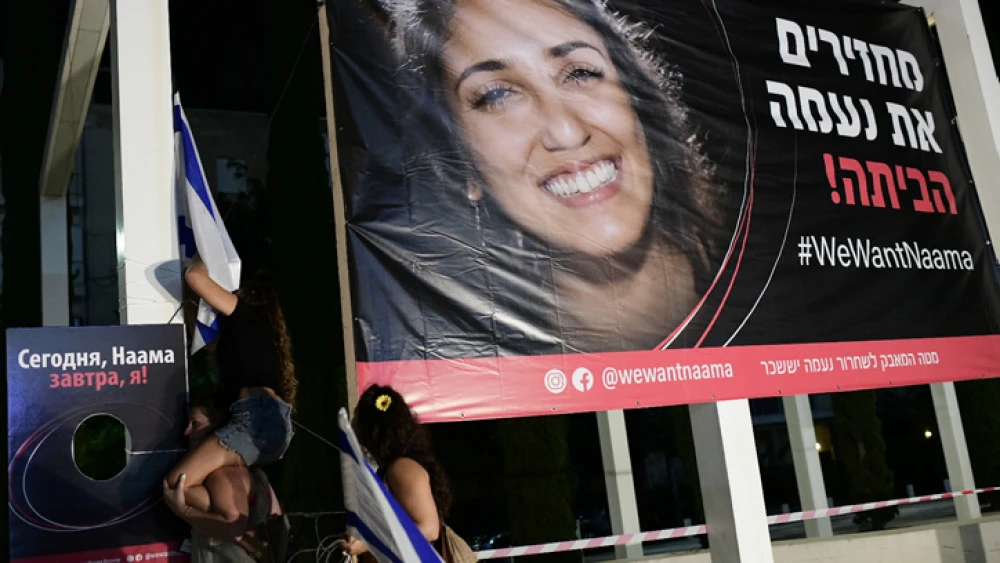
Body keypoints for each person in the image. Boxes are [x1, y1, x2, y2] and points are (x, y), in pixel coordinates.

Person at [361, 0, 730, 354]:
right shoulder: (487, 367)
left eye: (580, 73)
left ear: (635, 95)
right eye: (497, 95)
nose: (566, 132)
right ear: (461, 164)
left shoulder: (764, 261)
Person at [165, 253, 297, 524]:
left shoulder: (250, 312)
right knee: (213, 482)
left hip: (255, 421)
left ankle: (238, 528)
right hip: (274, 428)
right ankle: (245, 526)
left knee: (176, 483)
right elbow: (194, 318)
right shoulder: (247, 344)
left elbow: (196, 277)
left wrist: (202, 256)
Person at [164, 394, 291, 563]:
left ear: (218, 428)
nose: (187, 432)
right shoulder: (255, 473)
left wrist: (182, 510)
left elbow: (233, 527)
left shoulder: (223, 473)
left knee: (175, 483)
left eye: (195, 424)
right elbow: (276, 519)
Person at [339, 385, 455, 558]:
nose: (353, 424)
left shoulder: (401, 468)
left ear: (371, 429)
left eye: (357, 418)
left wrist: (368, 544)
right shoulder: (392, 467)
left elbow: (429, 529)